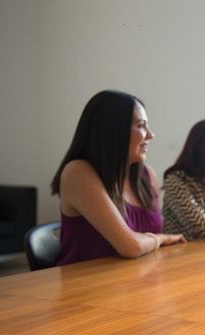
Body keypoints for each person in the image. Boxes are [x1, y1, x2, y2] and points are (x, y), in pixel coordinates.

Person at [51, 90, 186, 266]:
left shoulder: (147, 176)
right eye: (141, 125)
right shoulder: (77, 172)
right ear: (113, 130)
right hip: (86, 288)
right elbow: (131, 247)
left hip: (135, 282)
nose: (151, 135)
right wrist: (161, 239)